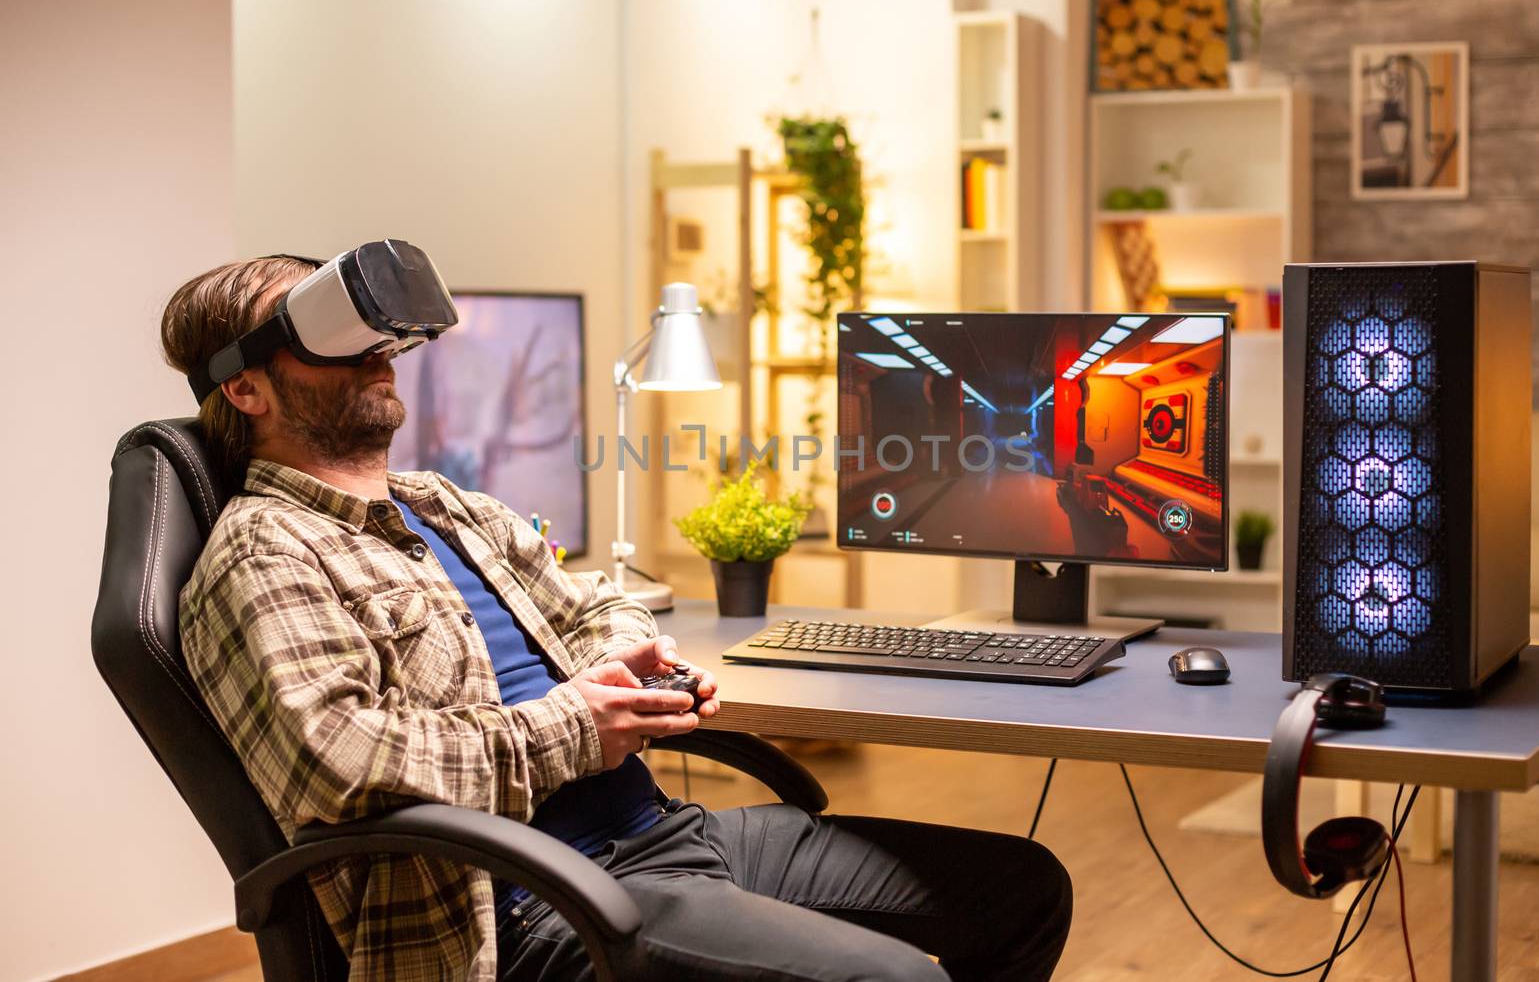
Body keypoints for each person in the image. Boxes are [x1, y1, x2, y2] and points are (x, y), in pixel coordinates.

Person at [162, 253, 1072, 982]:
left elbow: (594, 600)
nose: (377, 352)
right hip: (525, 900)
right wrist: (576, 726)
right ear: (246, 390)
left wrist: (630, 664)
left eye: (378, 336)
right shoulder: (264, 550)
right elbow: (342, 764)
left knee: (1024, 889)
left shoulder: (445, 506)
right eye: (330, 336)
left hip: (664, 833)